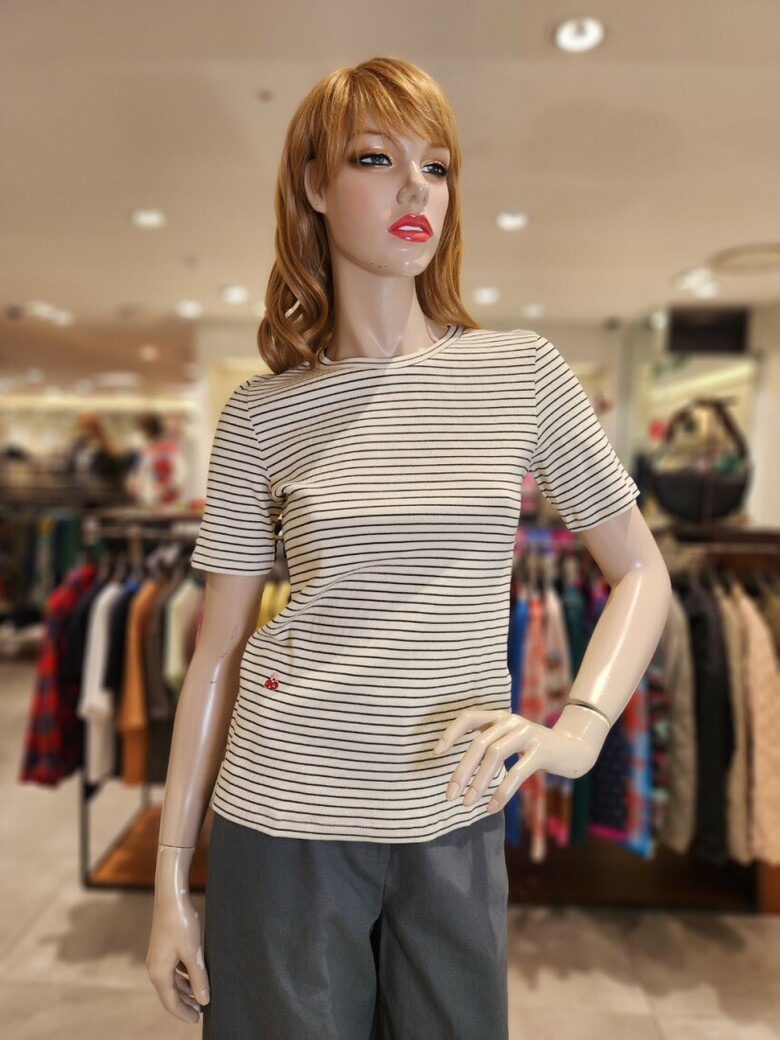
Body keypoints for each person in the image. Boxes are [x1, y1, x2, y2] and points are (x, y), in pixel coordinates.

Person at [147, 57, 672, 1039]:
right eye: (375, 159)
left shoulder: (520, 373)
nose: (414, 189)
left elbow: (641, 568)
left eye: (436, 167)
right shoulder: (262, 413)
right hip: (284, 811)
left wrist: (581, 725)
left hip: (454, 809)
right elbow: (217, 647)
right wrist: (170, 878)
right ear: (315, 184)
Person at [126, 412, 185, 507]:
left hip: (167, 503)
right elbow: (139, 475)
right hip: (149, 503)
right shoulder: (146, 450)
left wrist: (166, 486)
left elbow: (180, 475)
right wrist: (134, 484)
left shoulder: (170, 449)